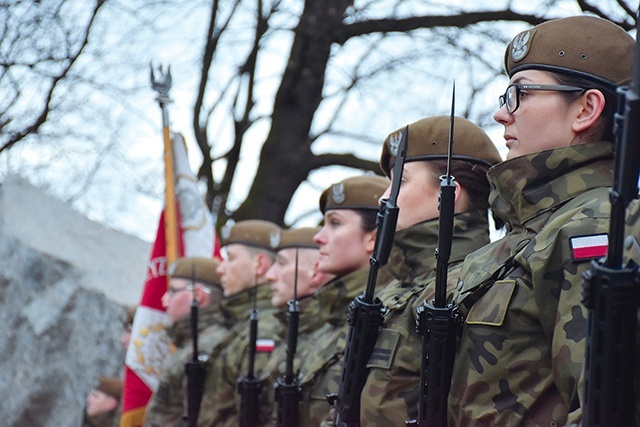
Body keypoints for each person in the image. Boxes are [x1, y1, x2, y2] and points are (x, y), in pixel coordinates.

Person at [447, 15, 635, 426]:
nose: (501, 115)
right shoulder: (531, 232)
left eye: (521, 94)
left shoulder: (597, 224)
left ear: (586, 109)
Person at [358, 115, 502, 425]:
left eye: (402, 181)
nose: (384, 197)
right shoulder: (394, 290)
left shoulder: (475, 288)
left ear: (447, 194)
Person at [197, 219, 282, 426]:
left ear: (259, 265)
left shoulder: (265, 328)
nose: (219, 269)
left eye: (230, 258)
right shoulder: (240, 322)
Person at [259, 226, 335, 424]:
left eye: (281, 263)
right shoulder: (292, 329)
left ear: (315, 271)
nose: (270, 275)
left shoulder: (330, 335)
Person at [143, 257, 228, 427]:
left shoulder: (206, 348)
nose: (164, 300)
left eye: (173, 291)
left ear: (197, 295)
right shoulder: (192, 343)